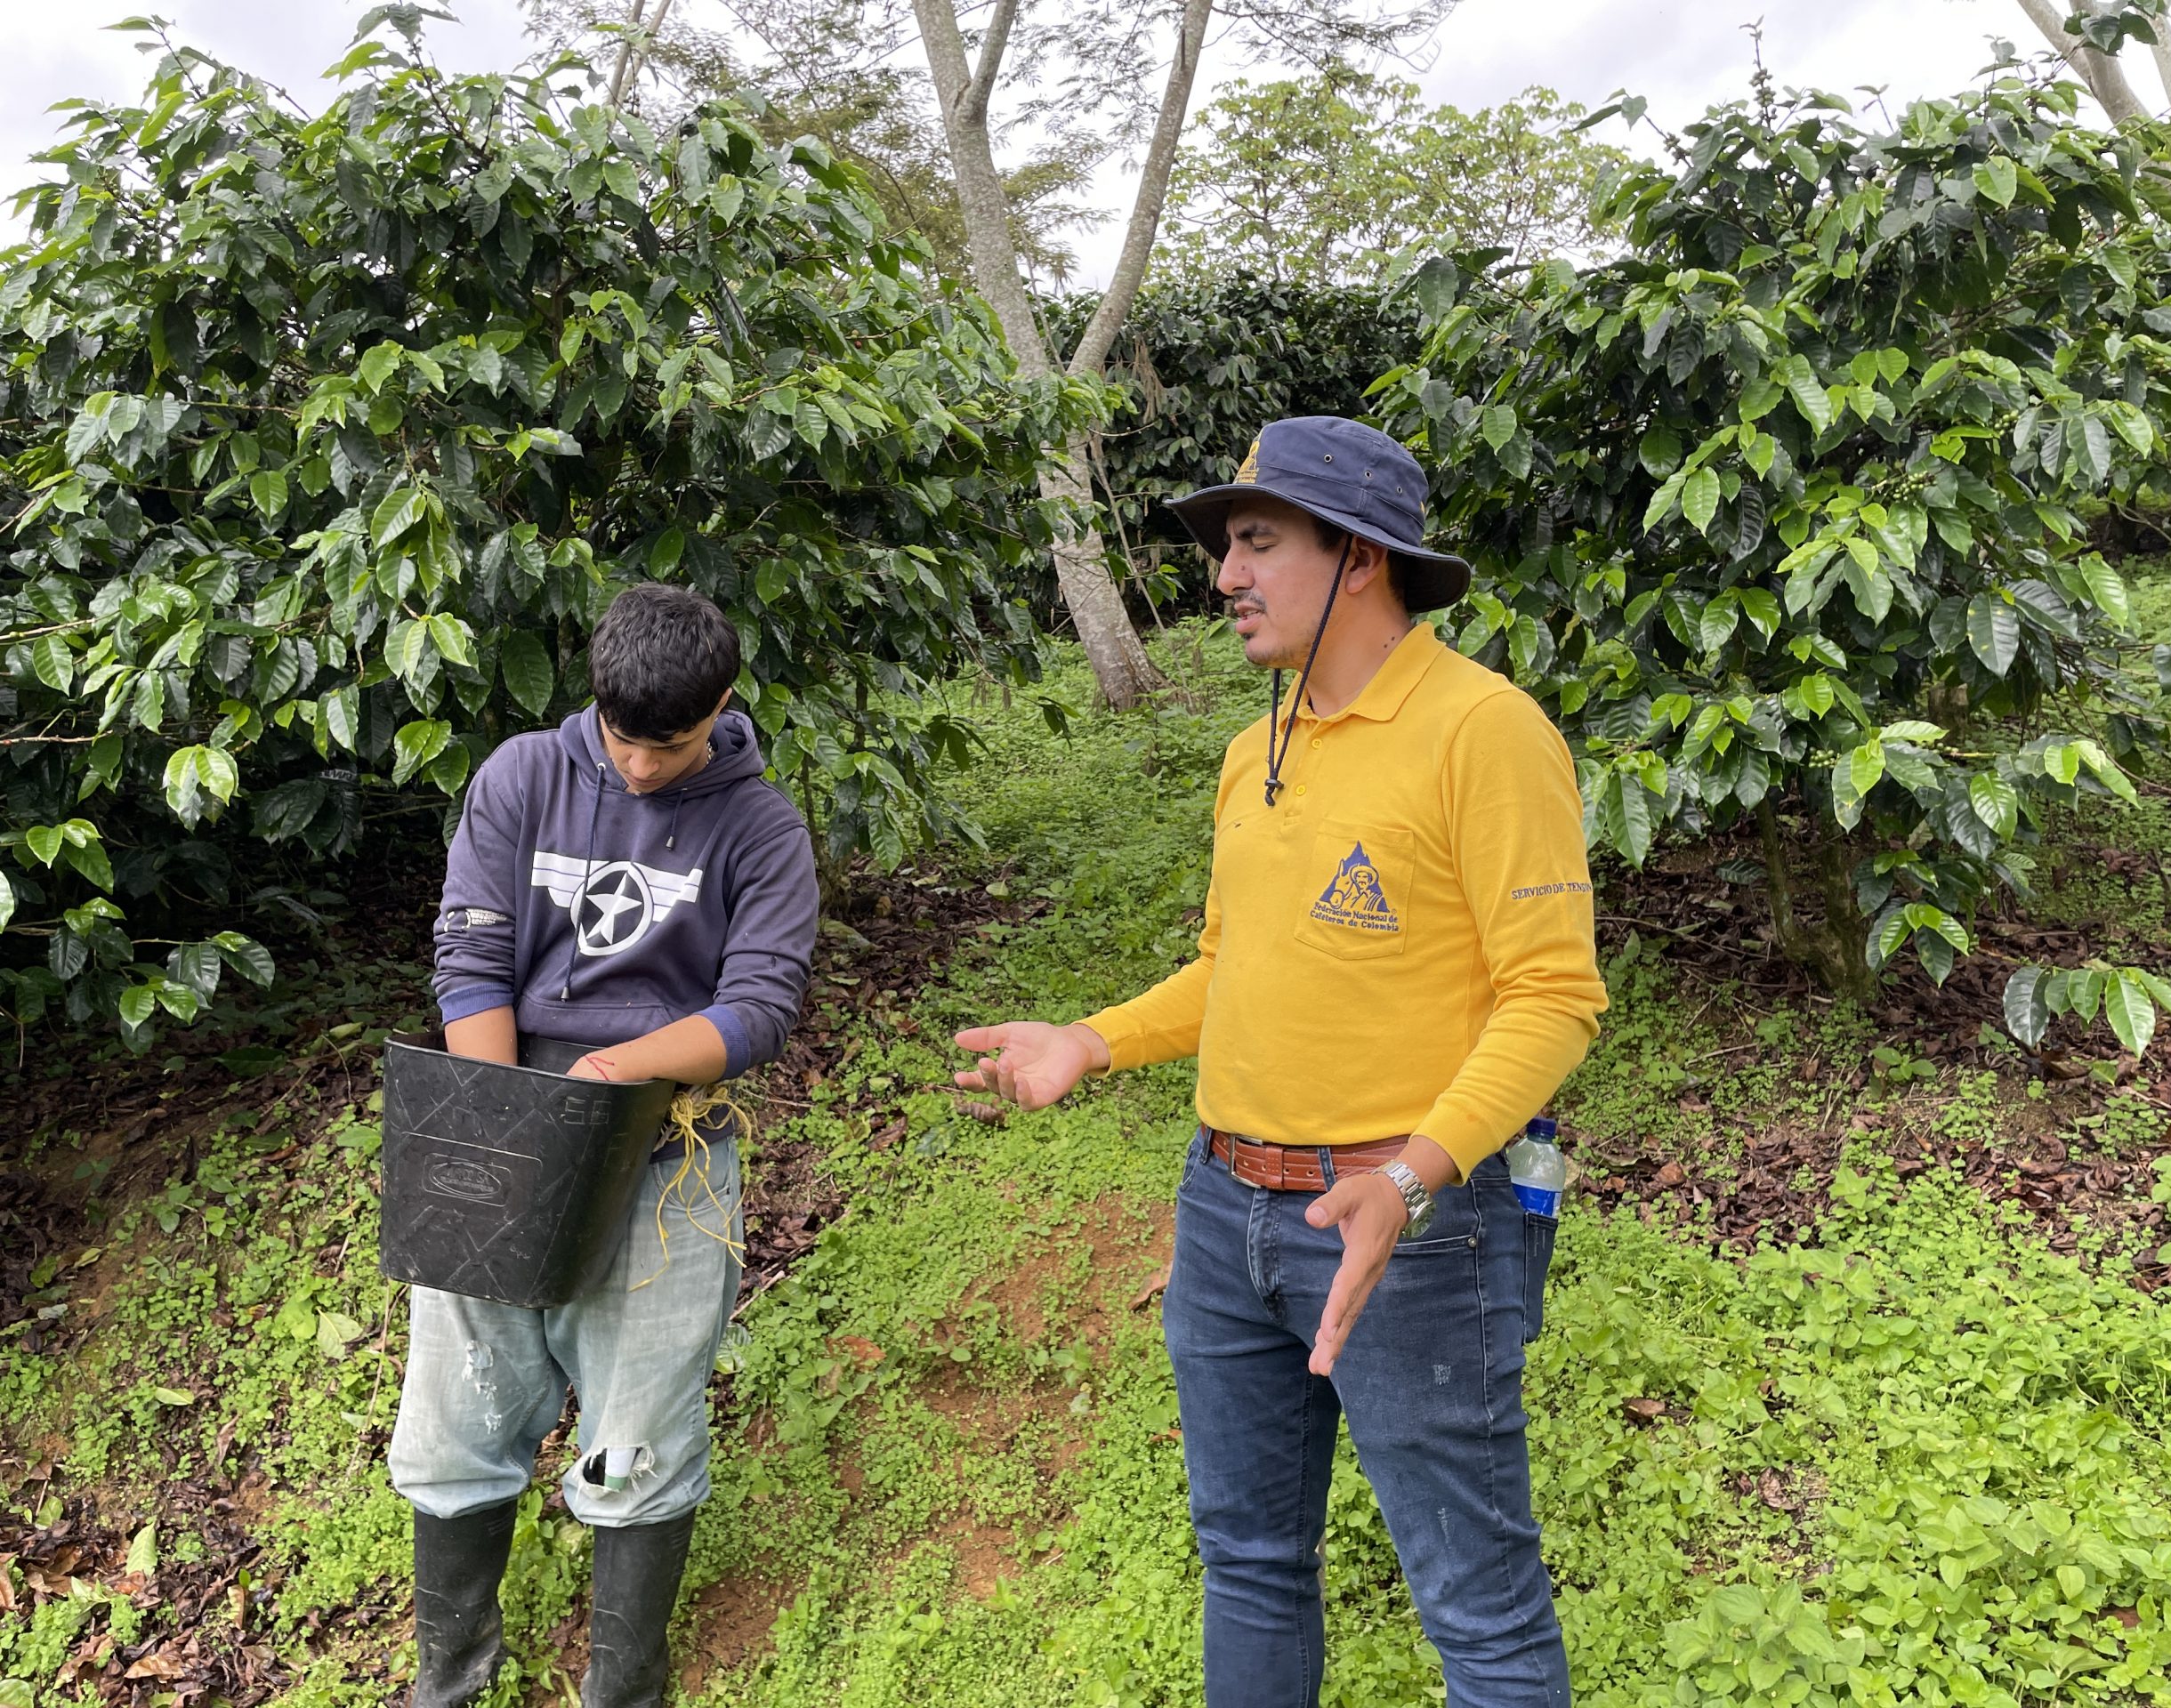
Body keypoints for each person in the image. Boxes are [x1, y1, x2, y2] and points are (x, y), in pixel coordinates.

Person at [954, 416, 1608, 1707]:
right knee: (1249, 1564)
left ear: (1359, 557)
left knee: (1478, 1614)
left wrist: (1411, 1178)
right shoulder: (1254, 749)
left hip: (1408, 1229)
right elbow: (1233, 963)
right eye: (1227, 548)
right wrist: (1091, 1040)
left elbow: (1553, 998)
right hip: (1224, 1214)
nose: (1225, 576)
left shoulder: (1485, 730)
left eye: (1257, 542)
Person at [389, 584, 819, 1708]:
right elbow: (472, 958)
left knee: (639, 1436)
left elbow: (759, 1009)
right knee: (457, 1418)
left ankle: (624, 1689)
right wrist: (509, 1126)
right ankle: (449, 1679)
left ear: (720, 707)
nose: (637, 767)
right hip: (502, 1124)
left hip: (665, 1156)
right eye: (622, 739)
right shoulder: (522, 777)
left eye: (667, 748)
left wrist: (612, 1077)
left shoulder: (761, 829)